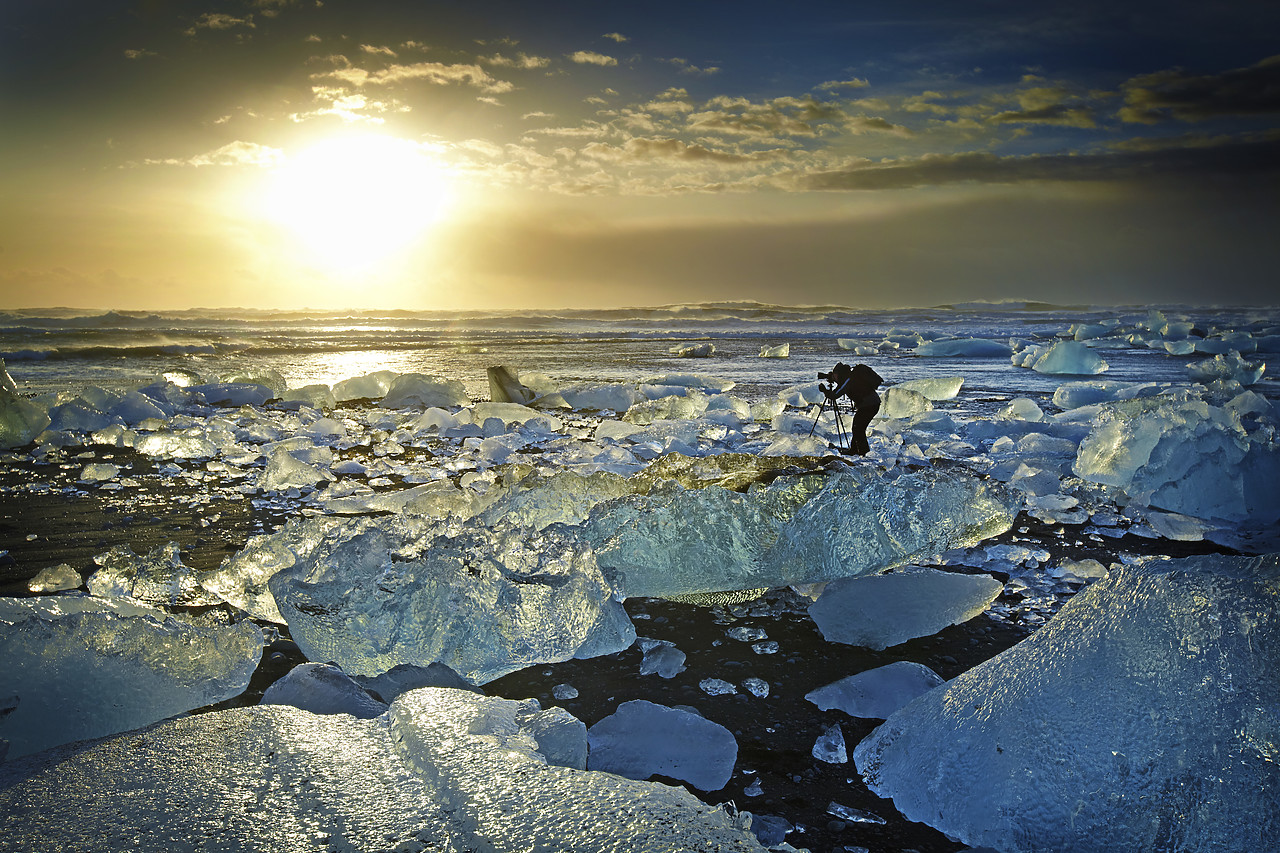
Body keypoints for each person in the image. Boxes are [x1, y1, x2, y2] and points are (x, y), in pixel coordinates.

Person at [824, 362, 882, 455]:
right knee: (857, 428)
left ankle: (863, 453)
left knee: (858, 428)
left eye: (834, 375)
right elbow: (838, 390)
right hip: (871, 404)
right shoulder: (849, 378)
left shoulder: (848, 380)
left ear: (839, 373)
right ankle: (855, 450)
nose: (834, 377)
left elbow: (835, 395)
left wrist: (824, 391)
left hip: (869, 405)